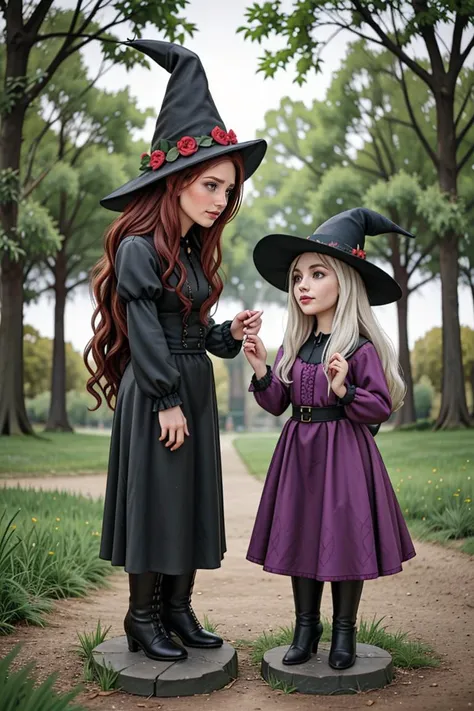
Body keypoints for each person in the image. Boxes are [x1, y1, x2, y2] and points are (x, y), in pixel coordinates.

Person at [84, 39, 266, 663]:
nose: (221, 201)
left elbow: (195, 330)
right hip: (160, 390)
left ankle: (179, 610)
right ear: (177, 182)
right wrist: (164, 400)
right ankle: (142, 618)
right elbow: (144, 328)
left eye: (227, 190)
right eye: (210, 185)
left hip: (192, 385)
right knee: (159, 501)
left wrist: (228, 334)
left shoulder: (190, 254)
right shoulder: (140, 247)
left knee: (189, 498)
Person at [243, 207, 416, 670]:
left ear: (344, 281)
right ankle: (306, 628)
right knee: (300, 535)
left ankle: (344, 632)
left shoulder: (358, 347)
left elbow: (378, 406)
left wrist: (346, 390)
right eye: (298, 275)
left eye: (317, 274)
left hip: (343, 456)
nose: (303, 284)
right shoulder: (296, 346)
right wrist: (262, 367)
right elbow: (278, 401)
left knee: (340, 539)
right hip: (297, 454)